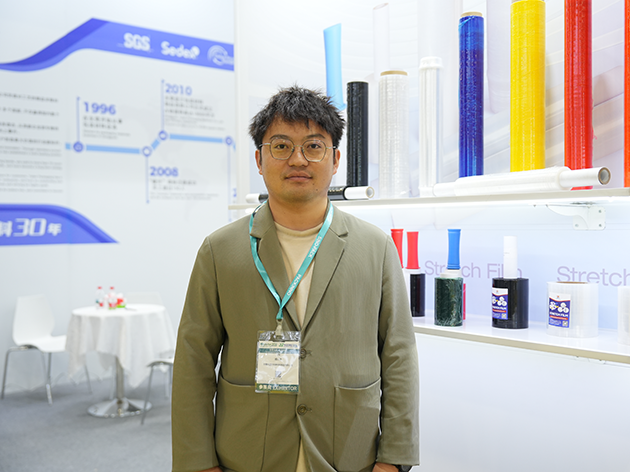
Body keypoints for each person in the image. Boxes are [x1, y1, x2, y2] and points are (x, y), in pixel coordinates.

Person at [171, 86, 419, 472]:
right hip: (248, 453)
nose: (298, 159)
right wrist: (198, 462)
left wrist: (394, 458)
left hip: (350, 452)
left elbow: (399, 355)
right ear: (259, 159)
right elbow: (193, 359)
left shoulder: (376, 247)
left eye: (314, 146)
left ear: (335, 159)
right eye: (281, 146)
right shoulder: (220, 250)